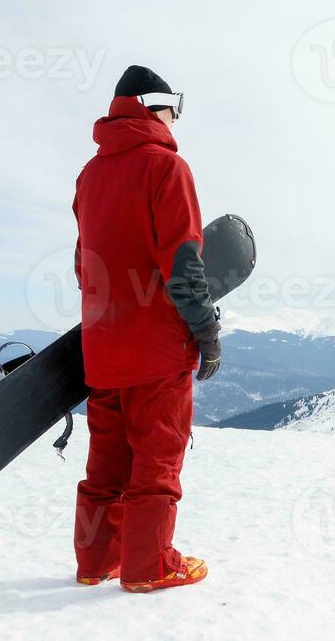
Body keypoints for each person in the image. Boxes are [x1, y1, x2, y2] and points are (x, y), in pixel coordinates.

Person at [71, 65, 222, 593]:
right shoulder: (166, 168)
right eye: (172, 106)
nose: (176, 117)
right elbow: (183, 262)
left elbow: (82, 264)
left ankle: (96, 561)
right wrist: (206, 330)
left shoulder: (89, 176)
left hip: (101, 345)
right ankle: (149, 565)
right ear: (151, 106)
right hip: (156, 346)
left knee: (106, 460)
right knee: (157, 458)